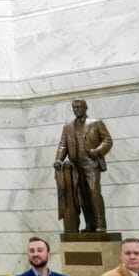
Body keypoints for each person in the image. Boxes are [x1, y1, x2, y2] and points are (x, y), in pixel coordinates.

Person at [54, 99, 113, 233]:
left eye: (79, 107)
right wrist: (58, 159)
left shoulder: (96, 123)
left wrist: (97, 151)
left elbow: (107, 140)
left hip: (91, 163)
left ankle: (100, 224)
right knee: (81, 196)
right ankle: (89, 225)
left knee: (93, 192)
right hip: (74, 166)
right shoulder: (67, 127)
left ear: (86, 108)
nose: (77, 109)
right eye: (74, 107)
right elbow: (62, 145)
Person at [12, 237, 78, 276]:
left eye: (40, 250)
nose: (35, 254)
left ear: (49, 255)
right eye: (32, 251)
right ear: (28, 255)